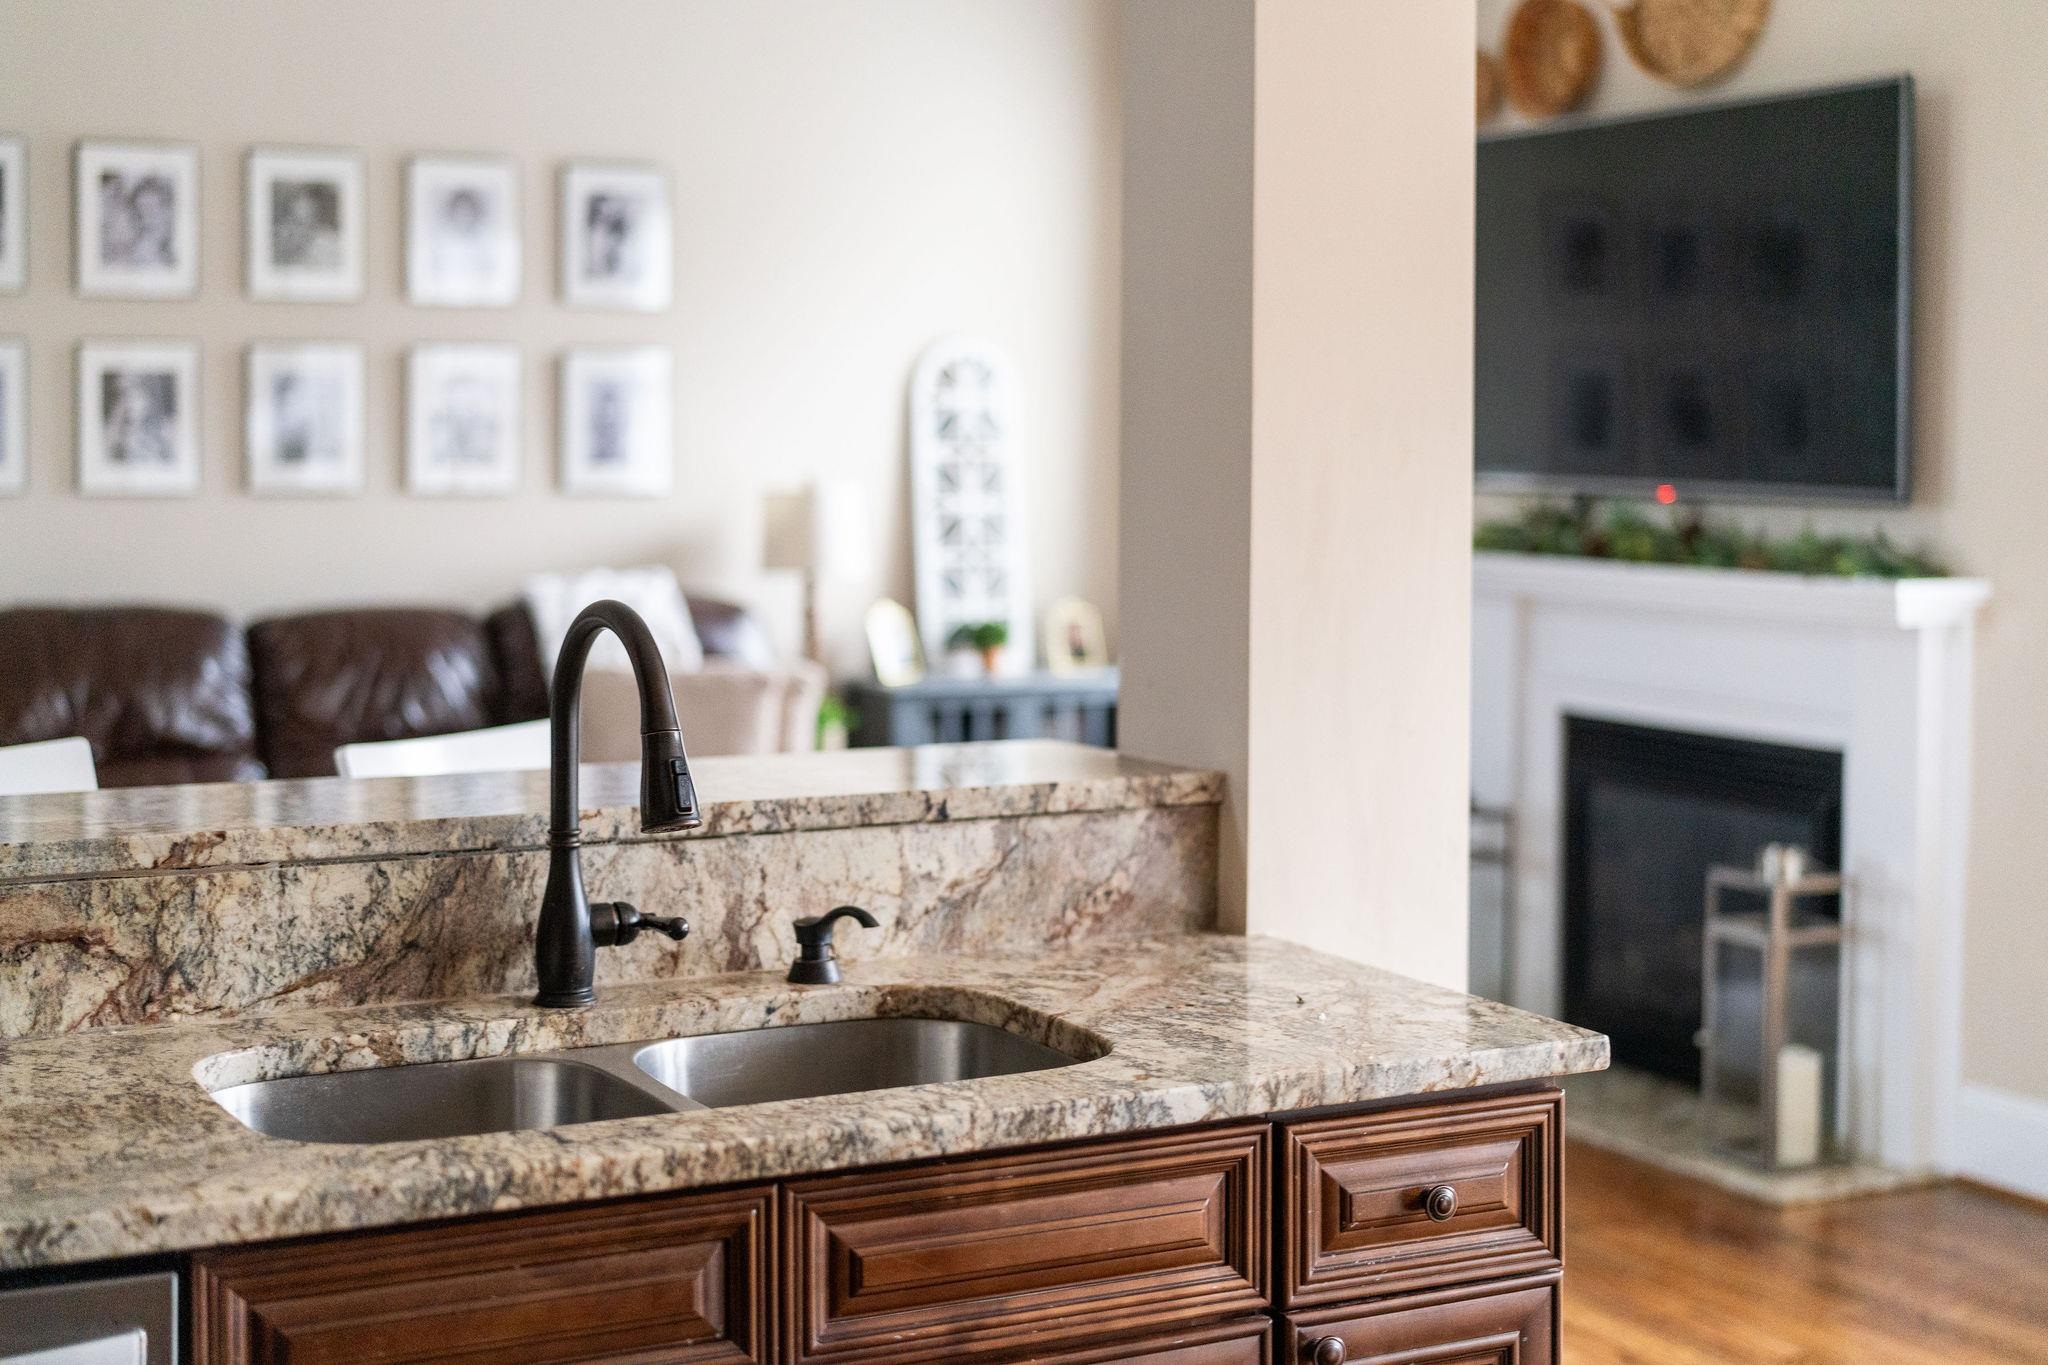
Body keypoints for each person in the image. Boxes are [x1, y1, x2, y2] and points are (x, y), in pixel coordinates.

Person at [102, 371, 175, 465]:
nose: (127, 404)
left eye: (134, 395)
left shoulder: (166, 430)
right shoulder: (116, 431)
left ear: (149, 398)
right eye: (124, 396)